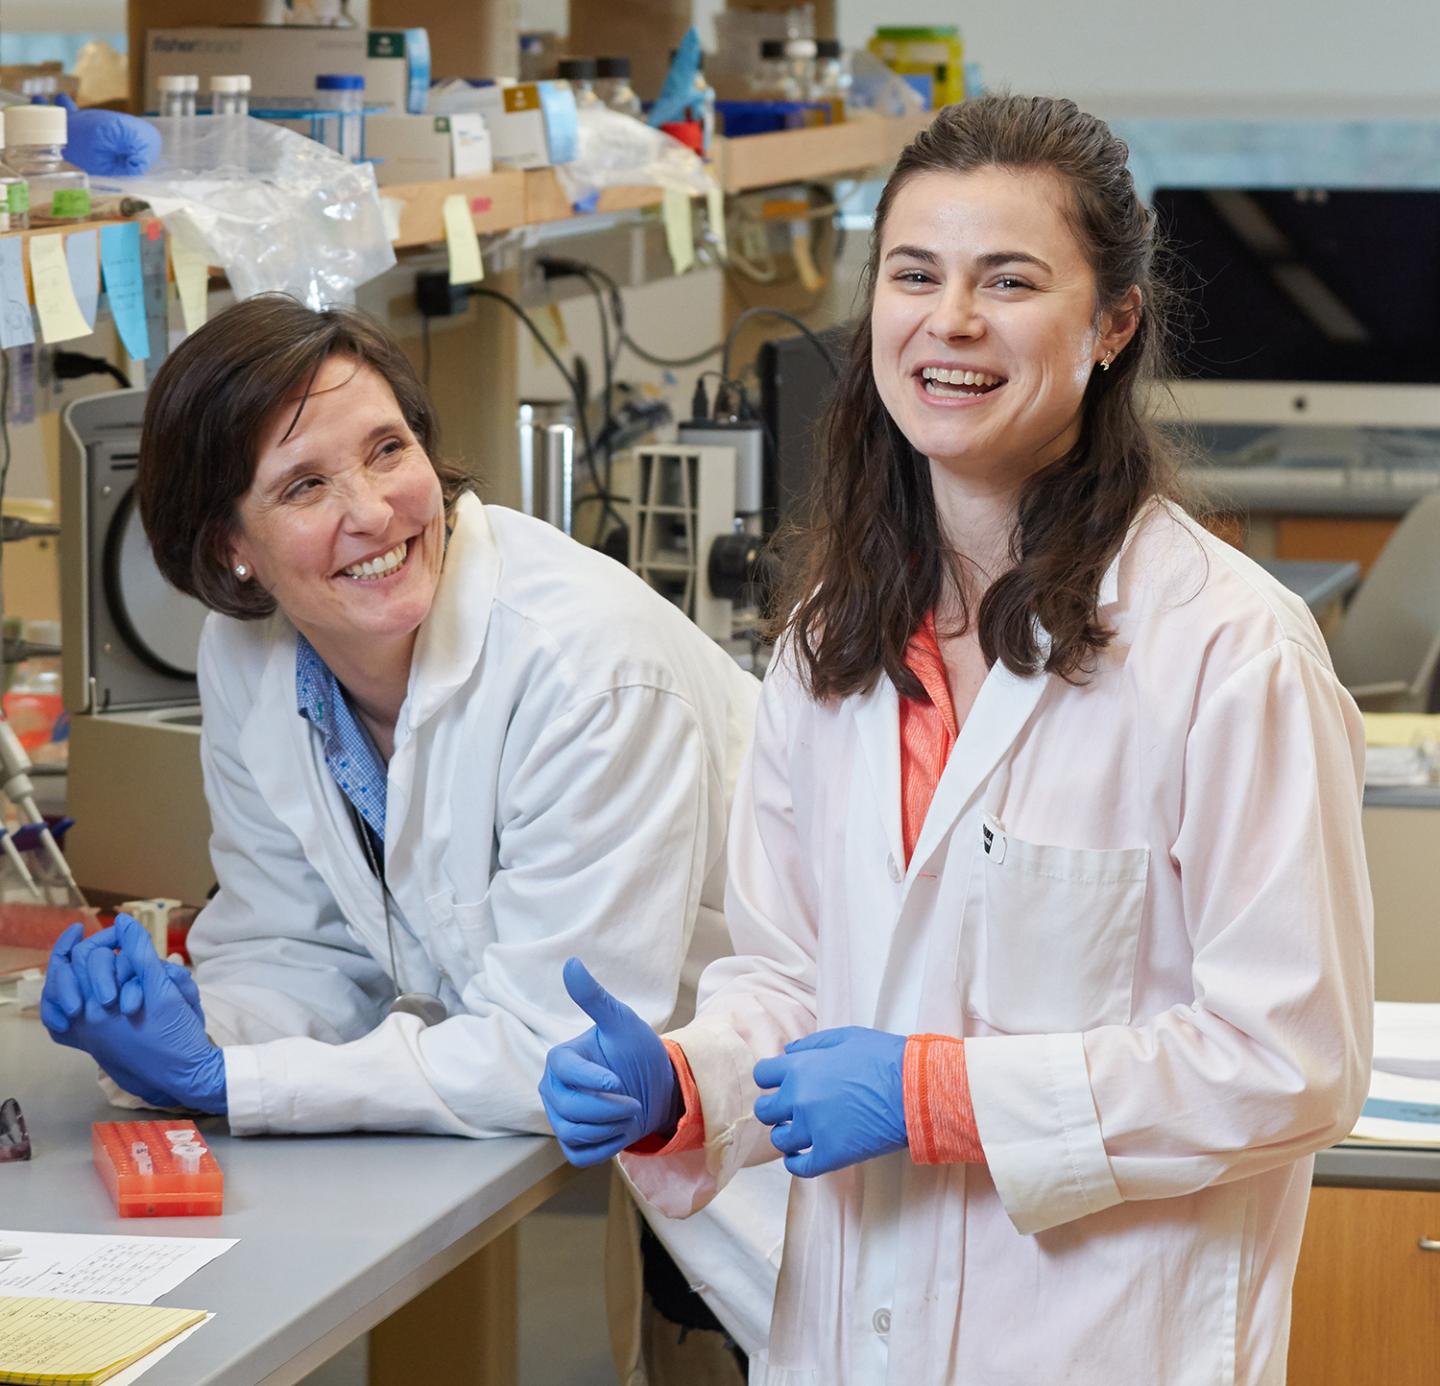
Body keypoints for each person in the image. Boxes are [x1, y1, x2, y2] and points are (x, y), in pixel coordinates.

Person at [538, 94, 1374, 1384]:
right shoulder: (832, 637)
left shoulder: (1227, 651)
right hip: (846, 1338)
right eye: (915, 275)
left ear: (1113, 325)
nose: (952, 322)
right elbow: (797, 981)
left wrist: (945, 1096)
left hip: (1101, 1344)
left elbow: (1290, 1061)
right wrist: (689, 1082)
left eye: (1011, 281)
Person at [39, 294, 785, 1369]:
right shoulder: (249, 660)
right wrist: (196, 1024)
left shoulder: (586, 664)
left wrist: (233, 1083)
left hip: (788, 1151)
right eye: (303, 486)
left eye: (389, 450)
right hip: (663, 1166)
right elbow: (300, 944)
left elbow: (550, 1047)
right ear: (230, 546)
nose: (374, 511)